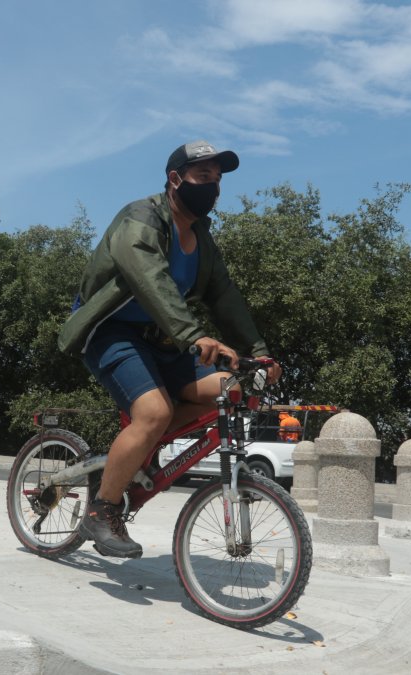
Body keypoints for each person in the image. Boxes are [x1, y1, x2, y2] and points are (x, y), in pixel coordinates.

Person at [58, 140, 282, 558]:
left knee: (234, 390)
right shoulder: (139, 219)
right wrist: (193, 334)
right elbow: (150, 279)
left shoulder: (201, 238)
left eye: (217, 180)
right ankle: (101, 511)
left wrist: (260, 351)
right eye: (202, 177)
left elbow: (225, 296)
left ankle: (140, 449)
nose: (212, 187)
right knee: (154, 412)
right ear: (174, 179)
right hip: (111, 333)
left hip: (166, 341)